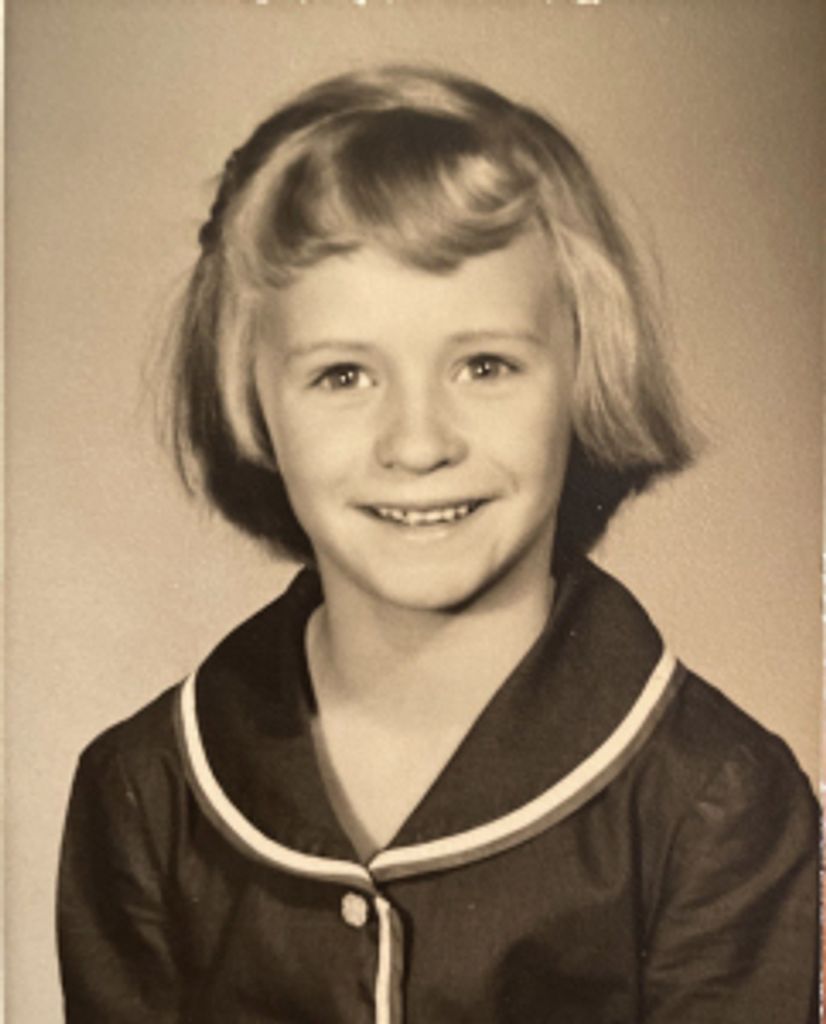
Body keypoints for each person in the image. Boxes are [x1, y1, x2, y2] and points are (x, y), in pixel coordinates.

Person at [57, 66, 819, 1023]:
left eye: (484, 365)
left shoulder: (716, 799)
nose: (417, 444)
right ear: (251, 398)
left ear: (586, 371)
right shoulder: (146, 792)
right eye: (344, 375)